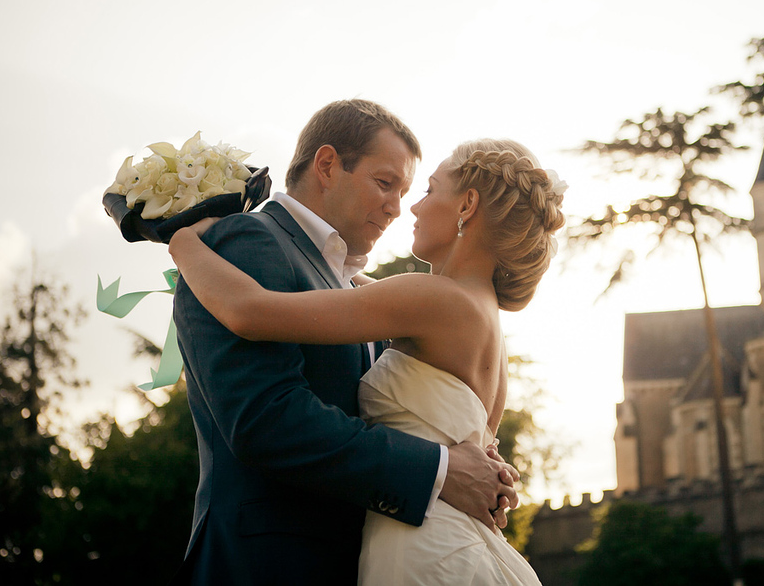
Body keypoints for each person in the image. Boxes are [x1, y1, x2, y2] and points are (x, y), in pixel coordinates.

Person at [169, 137, 565, 585]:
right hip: (456, 540)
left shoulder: (429, 299)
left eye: (429, 190)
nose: (409, 209)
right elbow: (349, 287)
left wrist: (181, 243)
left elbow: (248, 311)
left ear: (467, 205)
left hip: (420, 550)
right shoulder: (482, 318)